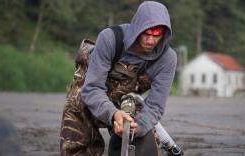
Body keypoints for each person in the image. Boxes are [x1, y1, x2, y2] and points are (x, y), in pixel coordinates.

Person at [60, 1, 177, 156]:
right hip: (90, 96)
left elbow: (155, 106)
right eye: (146, 34)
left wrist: (139, 127)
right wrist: (113, 114)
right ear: (137, 28)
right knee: (77, 104)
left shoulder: (167, 59)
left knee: (144, 146)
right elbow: (92, 88)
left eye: (156, 36)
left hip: (127, 101)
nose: (150, 41)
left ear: (163, 34)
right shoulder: (110, 38)